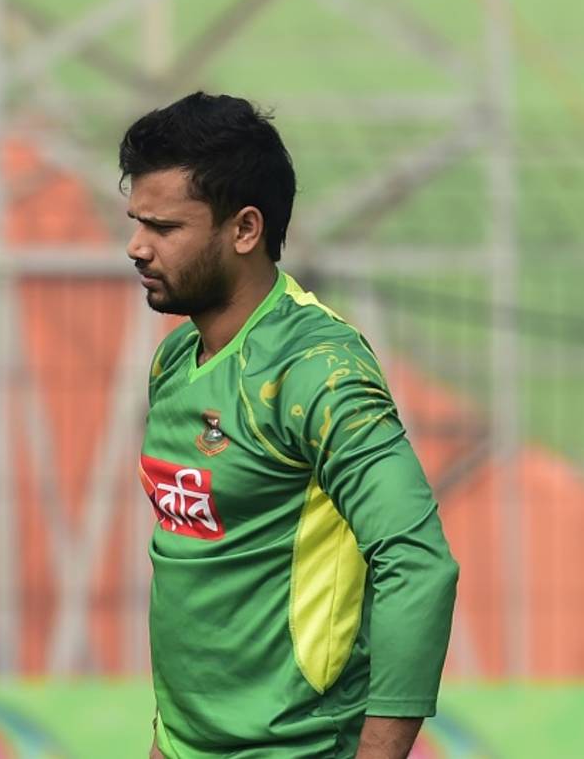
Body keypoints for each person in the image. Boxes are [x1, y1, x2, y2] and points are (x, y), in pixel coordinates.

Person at [122, 93, 459, 759]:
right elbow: (202, 571)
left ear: (245, 230)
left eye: (163, 228)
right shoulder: (176, 358)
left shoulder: (316, 370)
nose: (136, 247)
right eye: (135, 222)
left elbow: (418, 565)